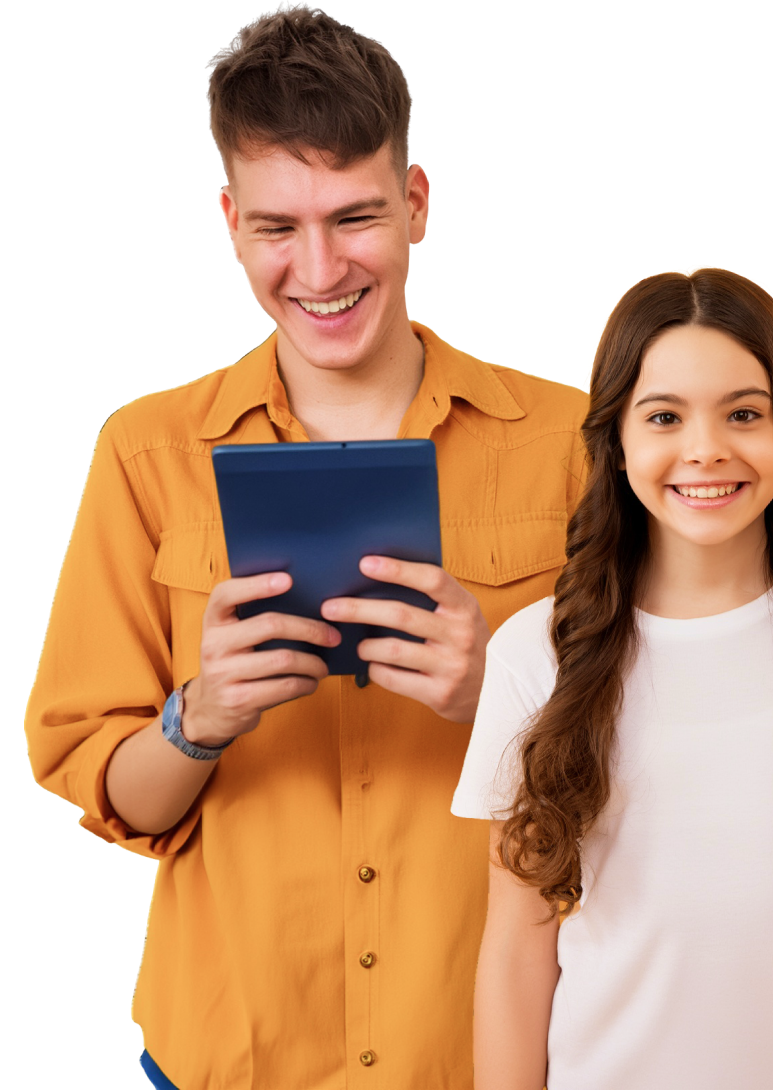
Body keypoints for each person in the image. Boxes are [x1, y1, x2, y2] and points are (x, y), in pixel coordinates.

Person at [23, 7, 587, 1088]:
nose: (319, 267)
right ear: (230, 221)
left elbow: (659, 761)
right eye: (278, 227)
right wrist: (200, 718)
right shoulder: (145, 451)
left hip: (491, 1052)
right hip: (229, 1054)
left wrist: (499, 691)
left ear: (416, 203)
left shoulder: (572, 444)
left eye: (355, 216)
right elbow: (110, 789)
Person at [451, 264, 773, 1089]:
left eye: (744, 414)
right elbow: (516, 950)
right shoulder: (534, 655)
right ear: (616, 441)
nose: (706, 449)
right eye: (664, 416)